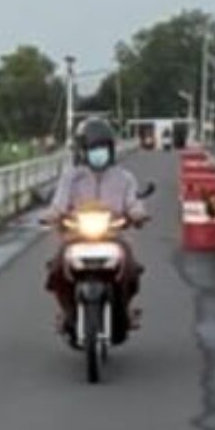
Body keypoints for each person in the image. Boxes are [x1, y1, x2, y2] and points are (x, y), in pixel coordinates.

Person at [43, 117, 147, 340]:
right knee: (57, 267)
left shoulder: (124, 178)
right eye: (93, 149)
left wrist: (138, 214)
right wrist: (52, 216)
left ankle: (125, 309)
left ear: (111, 149)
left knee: (131, 268)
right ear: (82, 150)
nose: (98, 153)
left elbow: (133, 203)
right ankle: (66, 310)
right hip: (77, 234)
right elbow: (58, 204)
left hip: (112, 234)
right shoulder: (71, 178)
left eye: (103, 148)